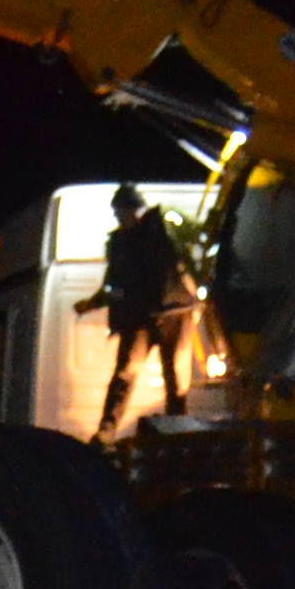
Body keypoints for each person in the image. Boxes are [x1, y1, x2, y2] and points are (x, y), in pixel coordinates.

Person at [81, 185, 190, 433]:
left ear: (133, 210)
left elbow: (174, 266)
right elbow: (114, 281)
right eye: (117, 212)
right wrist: (95, 302)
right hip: (144, 316)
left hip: (171, 313)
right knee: (126, 373)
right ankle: (105, 432)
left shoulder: (159, 233)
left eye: (120, 211)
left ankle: (176, 433)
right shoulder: (120, 242)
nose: (118, 217)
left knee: (173, 376)